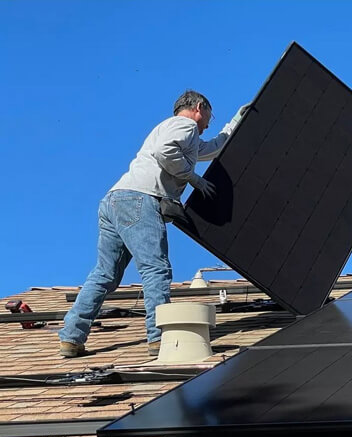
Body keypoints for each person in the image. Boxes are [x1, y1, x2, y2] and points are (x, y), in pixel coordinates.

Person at [58, 90, 248, 358]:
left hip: (115, 200)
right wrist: (191, 178)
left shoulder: (176, 131)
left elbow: (212, 148)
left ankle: (71, 337)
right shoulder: (185, 125)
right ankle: (159, 339)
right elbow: (165, 151)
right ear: (198, 107)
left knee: (105, 274)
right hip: (140, 199)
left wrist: (236, 122)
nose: (208, 124)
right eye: (209, 117)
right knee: (156, 269)